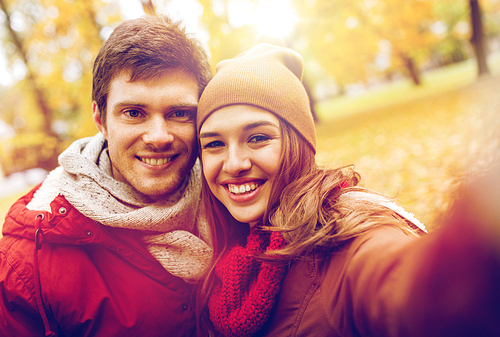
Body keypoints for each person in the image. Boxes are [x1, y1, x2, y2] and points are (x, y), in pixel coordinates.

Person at [196, 43, 500, 337]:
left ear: (299, 144)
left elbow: (411, 289)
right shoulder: (228, 247)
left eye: (258, 137)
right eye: (214, 144)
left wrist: (473, 249)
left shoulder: (338, 233)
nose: (234, 163)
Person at [0, 15, 212, 336]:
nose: (158, 137)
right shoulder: (28, 262)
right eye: (134, 113)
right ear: (100, 119)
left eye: (179, 113)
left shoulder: (235, 199)